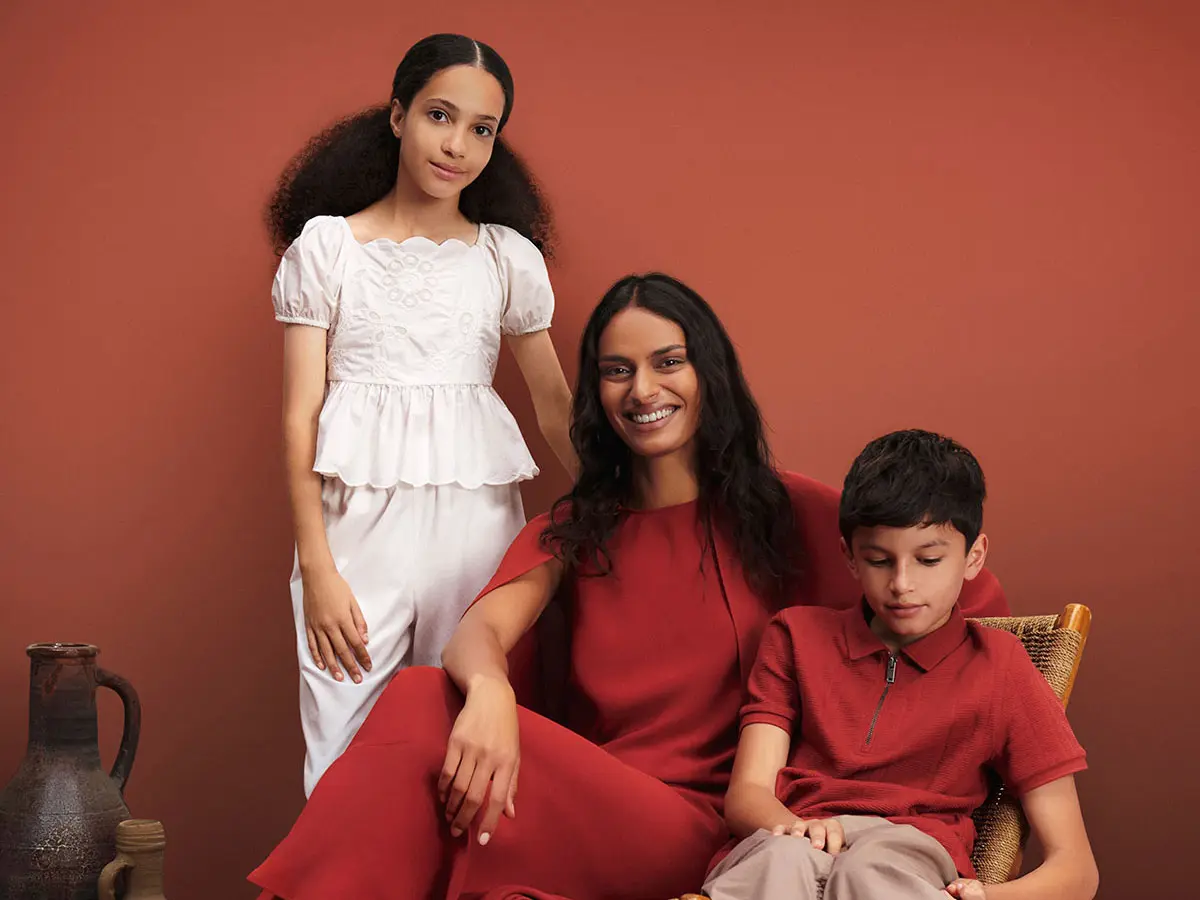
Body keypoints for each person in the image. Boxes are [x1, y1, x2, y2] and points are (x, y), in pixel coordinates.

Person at [249, 277, 1010, 900]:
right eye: (617, 370)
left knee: (418, 710)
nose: (642, 389)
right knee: (427, 700)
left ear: (708, 374)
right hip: (594, 807)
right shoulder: (577, 527)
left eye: (668, 362)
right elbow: (477, 633)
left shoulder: (787, 511)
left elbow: (957, 601)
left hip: (719, 827)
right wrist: (490, 690)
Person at [269, 32, 576, 796]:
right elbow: (300, 417)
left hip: (477, 528)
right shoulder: (328, 249)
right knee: (343, 762)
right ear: (399, 114)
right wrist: (317, 566)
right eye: (441, 115)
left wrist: (625, 506)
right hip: (353, 533)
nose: (458, 145)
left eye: (482, 129)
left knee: (463, 751)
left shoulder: (505, 257)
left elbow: (554, 407)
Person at [703, 429, 1097, 900]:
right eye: (879, 561)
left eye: (928, 560)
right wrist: (794, 827)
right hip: (790, 838)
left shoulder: (1003, 668)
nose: (902, 584)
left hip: (908, 856)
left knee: (870, 868)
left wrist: (983, 897)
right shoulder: (794, 637)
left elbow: (1076, 870)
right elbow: (748, 794)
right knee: (782, 860)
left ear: (973, 557)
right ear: (850, 557)